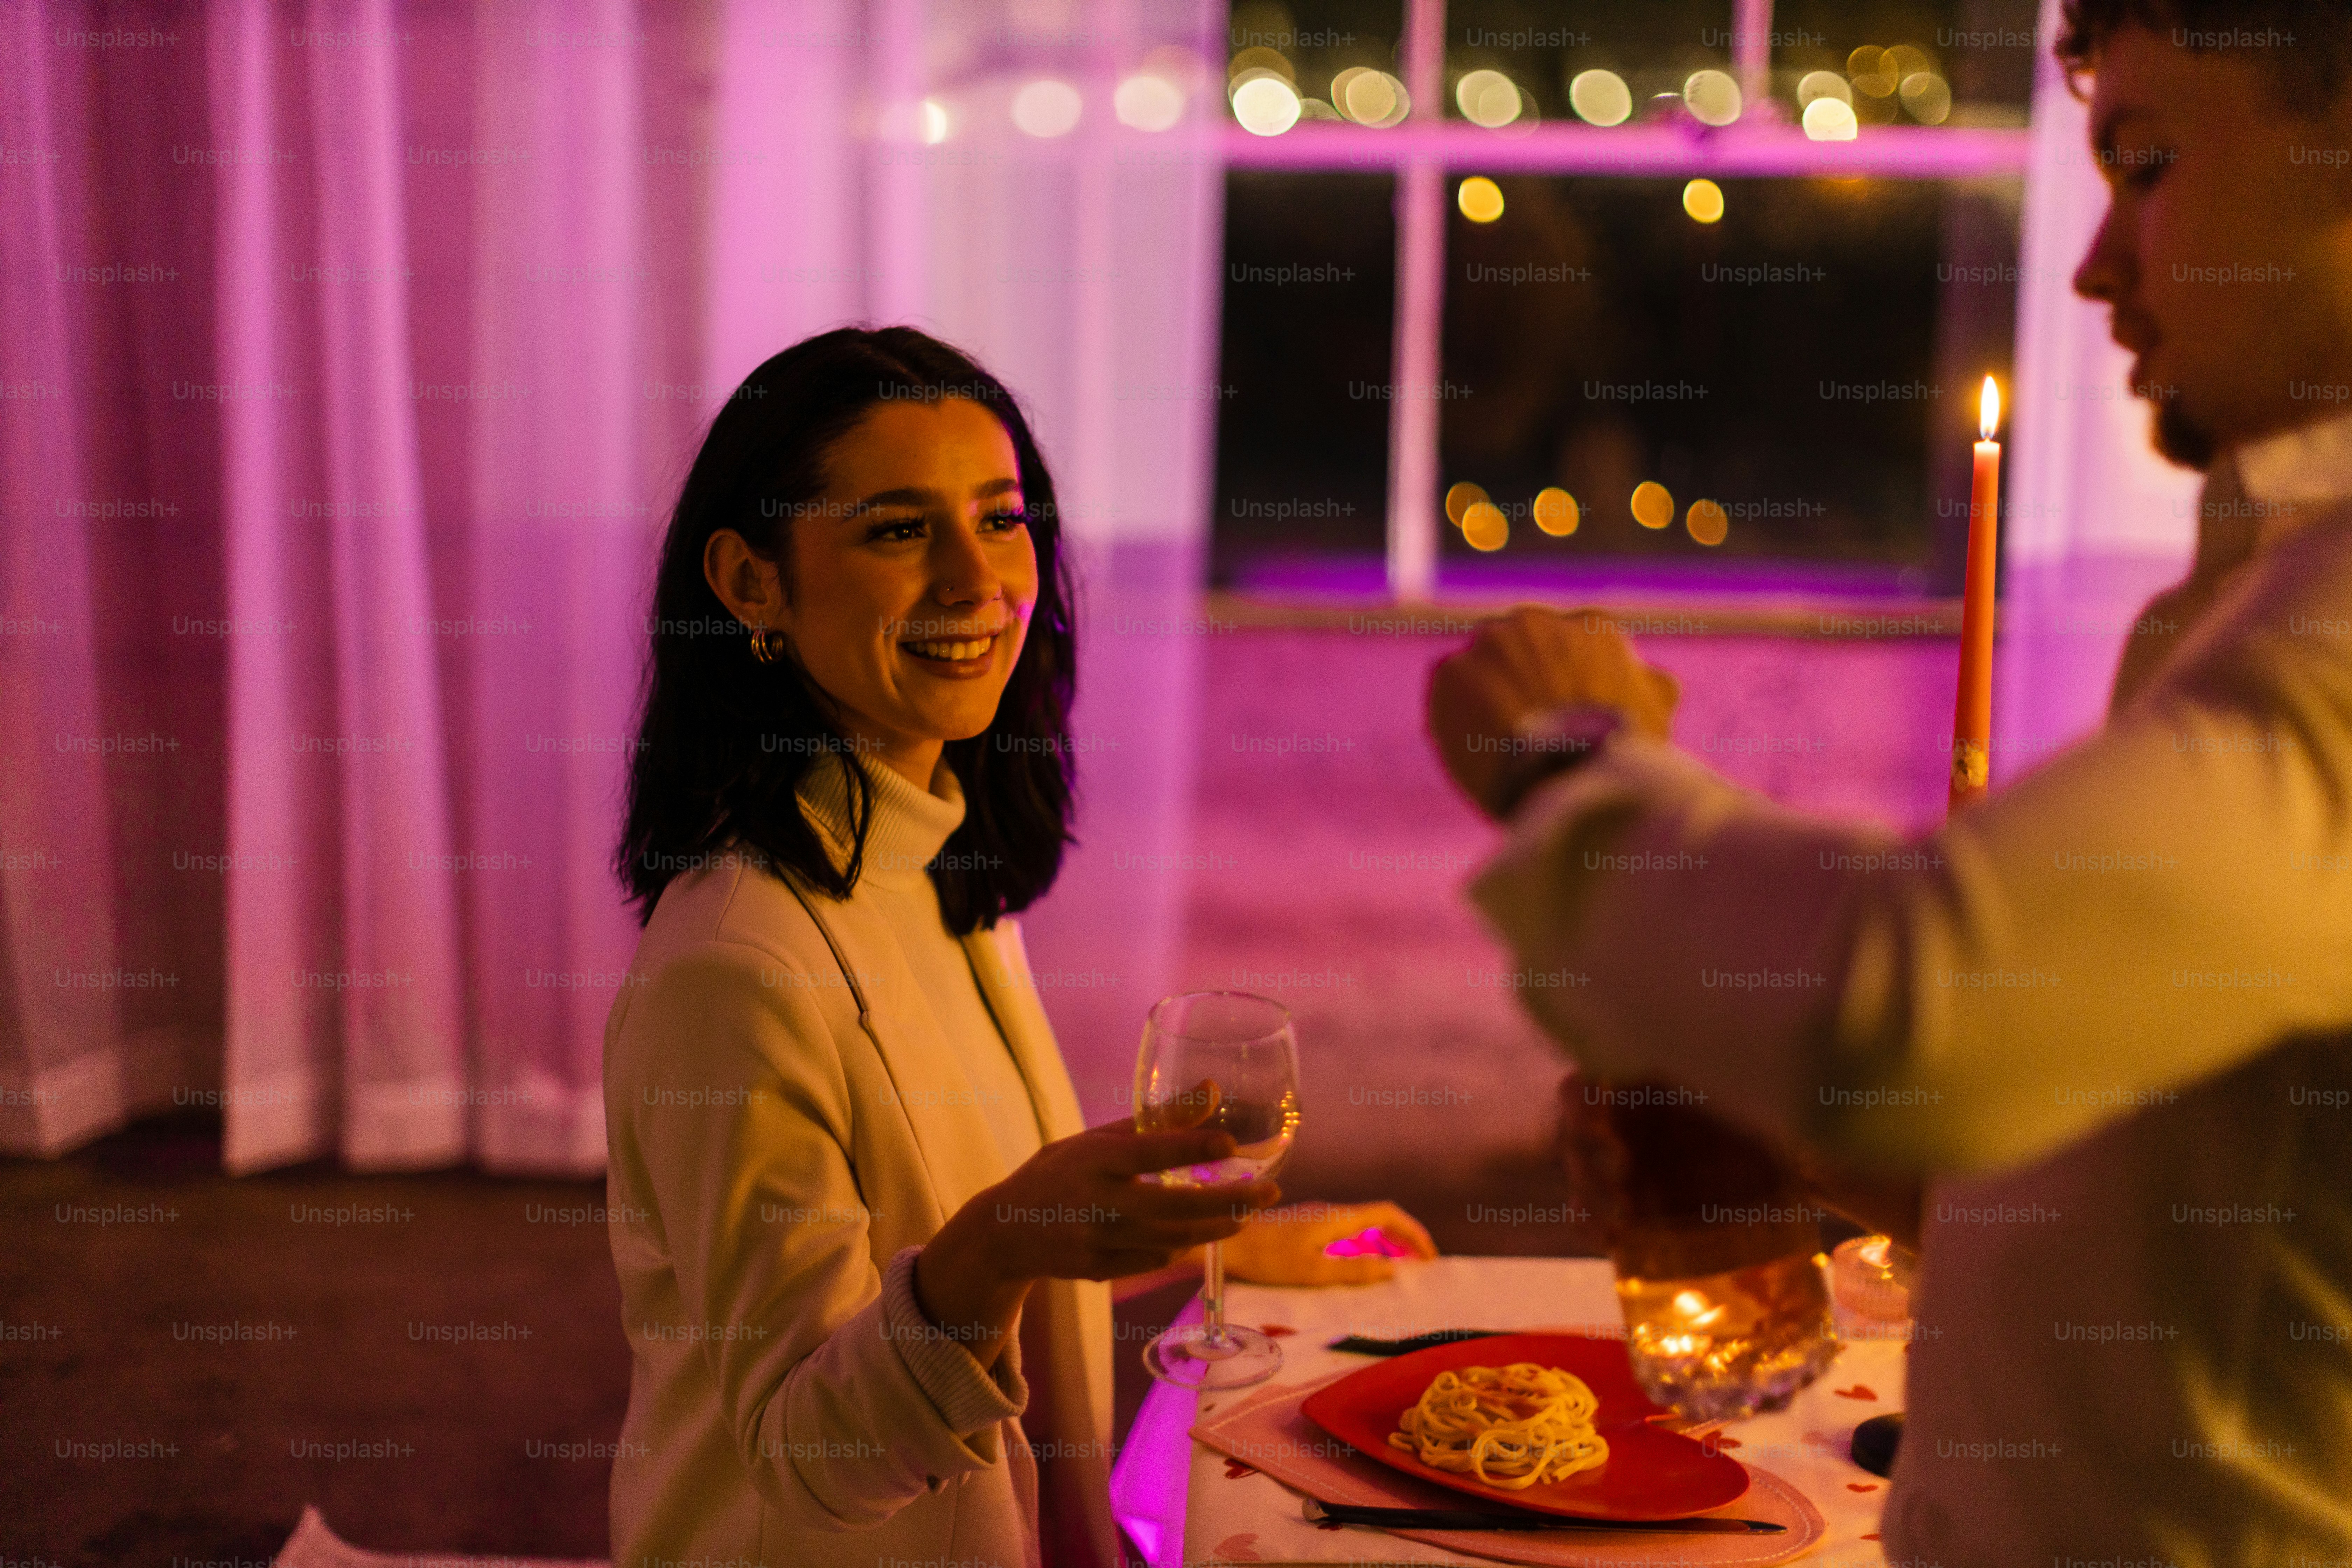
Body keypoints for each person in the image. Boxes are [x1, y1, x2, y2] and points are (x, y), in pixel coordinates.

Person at [1426, 7, 2352, 1564]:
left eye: (2150, 160)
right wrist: (1807, 1143)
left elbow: (1907, 990)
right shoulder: (2247, 594)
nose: (2097, 264)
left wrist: (1567, 764)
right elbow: (2175, 1183)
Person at [604, 327, 1429, 1568]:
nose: (977, 581)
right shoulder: (738, 967)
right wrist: (999, 1244)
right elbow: (811, 1456)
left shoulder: (936, 868)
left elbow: (957, 1243)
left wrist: (1228, 1248)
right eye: (897, 530)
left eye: (1000, 520)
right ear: (752, 582)